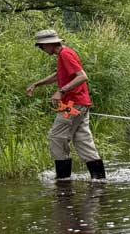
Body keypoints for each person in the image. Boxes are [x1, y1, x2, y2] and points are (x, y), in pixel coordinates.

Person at [26, 30, 105, 181]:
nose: (41, 50)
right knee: (83, 140)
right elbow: (58, 75)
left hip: (72, 104)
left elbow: (82, 76)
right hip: (79, 104)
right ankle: (99, 179)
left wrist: (61, 92)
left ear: (48, 44)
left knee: (56, 137)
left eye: (41, 47)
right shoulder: (64, 54)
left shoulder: (65, 54)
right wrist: (36, 84)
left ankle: (63, 180)